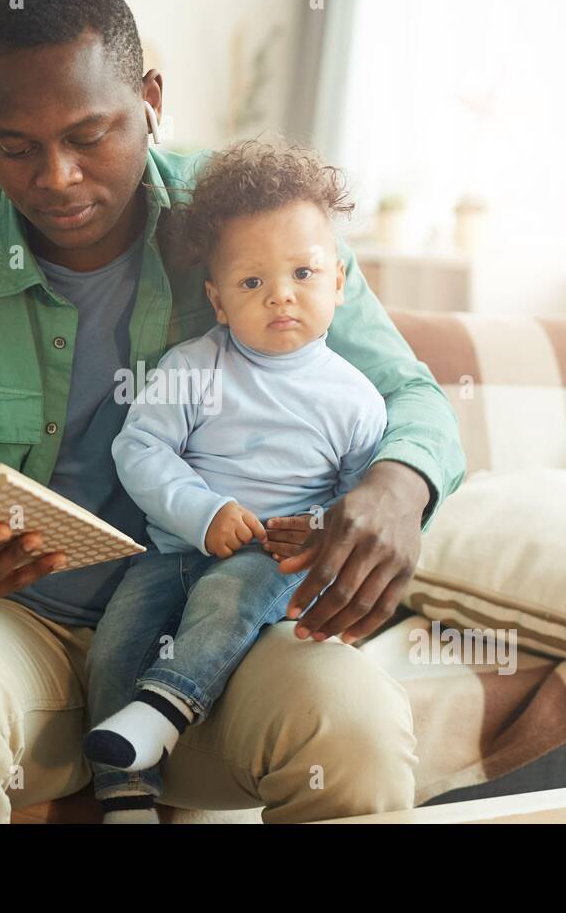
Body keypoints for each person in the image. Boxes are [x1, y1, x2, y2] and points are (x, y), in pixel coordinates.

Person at [0, 0, 467, 823]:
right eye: (13, 144)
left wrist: (398, 486)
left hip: (213, 632)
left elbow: (412, 397)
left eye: (91, 134)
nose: (57, 177)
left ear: (151, 99)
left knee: (357, 720)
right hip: (9, 634)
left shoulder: (256, 222)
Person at [84, 140, 393, 824]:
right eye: (251, 283)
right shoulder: (194, 366)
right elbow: (141, 447)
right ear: (218, 302)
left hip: (267, 561)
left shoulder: (356, 401)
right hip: (172, 549)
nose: (280, 293)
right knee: (114, 648)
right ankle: (125, 795)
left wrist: (314, 534)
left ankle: (163, 711)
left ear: (338, 284)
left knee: (229, 595)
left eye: (303, 274)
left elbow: (357, 501)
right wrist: (206, 510)